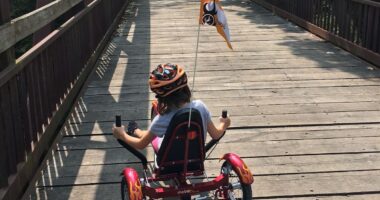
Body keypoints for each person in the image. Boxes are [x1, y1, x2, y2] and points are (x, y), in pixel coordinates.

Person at [112, 63, 231, 152]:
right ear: (185, 88)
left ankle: (136, 131)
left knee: (152, 136)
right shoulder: (200, 107)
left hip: (167, 161)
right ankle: (137, 131)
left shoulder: (162, 119)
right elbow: (216, 135)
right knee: (153, 132)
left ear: (162, 98)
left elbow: (140, 145)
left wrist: (122, 135)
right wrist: (224, 124)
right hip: (196, 157)